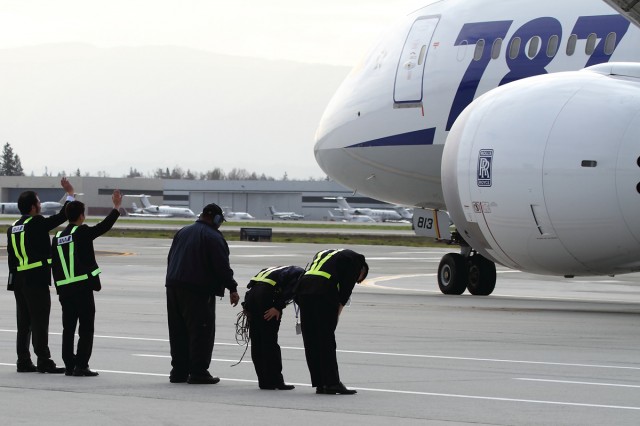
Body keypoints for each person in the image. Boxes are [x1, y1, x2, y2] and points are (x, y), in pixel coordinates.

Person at [165, 203, 240, 384]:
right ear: (216, 218)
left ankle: (179, 371)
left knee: (178, 331)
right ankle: (198, 371)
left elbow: (170, 258)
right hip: (197, 290)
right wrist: (232, 288)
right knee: (201, 331)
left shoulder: (182, 231)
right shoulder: (213, 237)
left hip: (173, 287)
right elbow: (222, 266)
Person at [6, 177, 75, 374]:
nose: (40, 205)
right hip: (35, 281)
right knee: (39, 321)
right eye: (38, 202)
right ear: (33, 208)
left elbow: (12, 259)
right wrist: (70, 194)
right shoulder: (36, 223)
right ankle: (44, 360)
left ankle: (23, 360)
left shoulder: (13, 229)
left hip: (19, 281)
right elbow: (61, 217)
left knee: (24, 323)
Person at [50, 190, 122, 377]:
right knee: (86, 328)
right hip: (82, 288)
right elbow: (103, 226)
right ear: (81, 216)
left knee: (68, 328)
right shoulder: (82, 232)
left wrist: (59, 287)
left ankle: (69, 365)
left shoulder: (57, 238)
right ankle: (81, 365)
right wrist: (116, 207)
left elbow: (55, 266)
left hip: (65, 289)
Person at [296, 248, 368, 395]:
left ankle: (320, 383)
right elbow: (345, 290)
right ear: (363, 270)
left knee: (311, 339)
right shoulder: (358, 259)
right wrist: (336, 315)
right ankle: (332, 383)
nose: (357, 281)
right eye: (359, 278)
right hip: (322, 291)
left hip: (303, 289)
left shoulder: (326, 253)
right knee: (326, 339)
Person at [242, 265, 304, 390]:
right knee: (269, 342)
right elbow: (293, 290)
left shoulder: (272, 269)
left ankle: (264, 381)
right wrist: (277, 307)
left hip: (253, 297)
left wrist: (246, 307)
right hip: (266, 296)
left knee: (257, 341)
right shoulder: (301, 273)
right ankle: (276, 380)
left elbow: (251, 286)